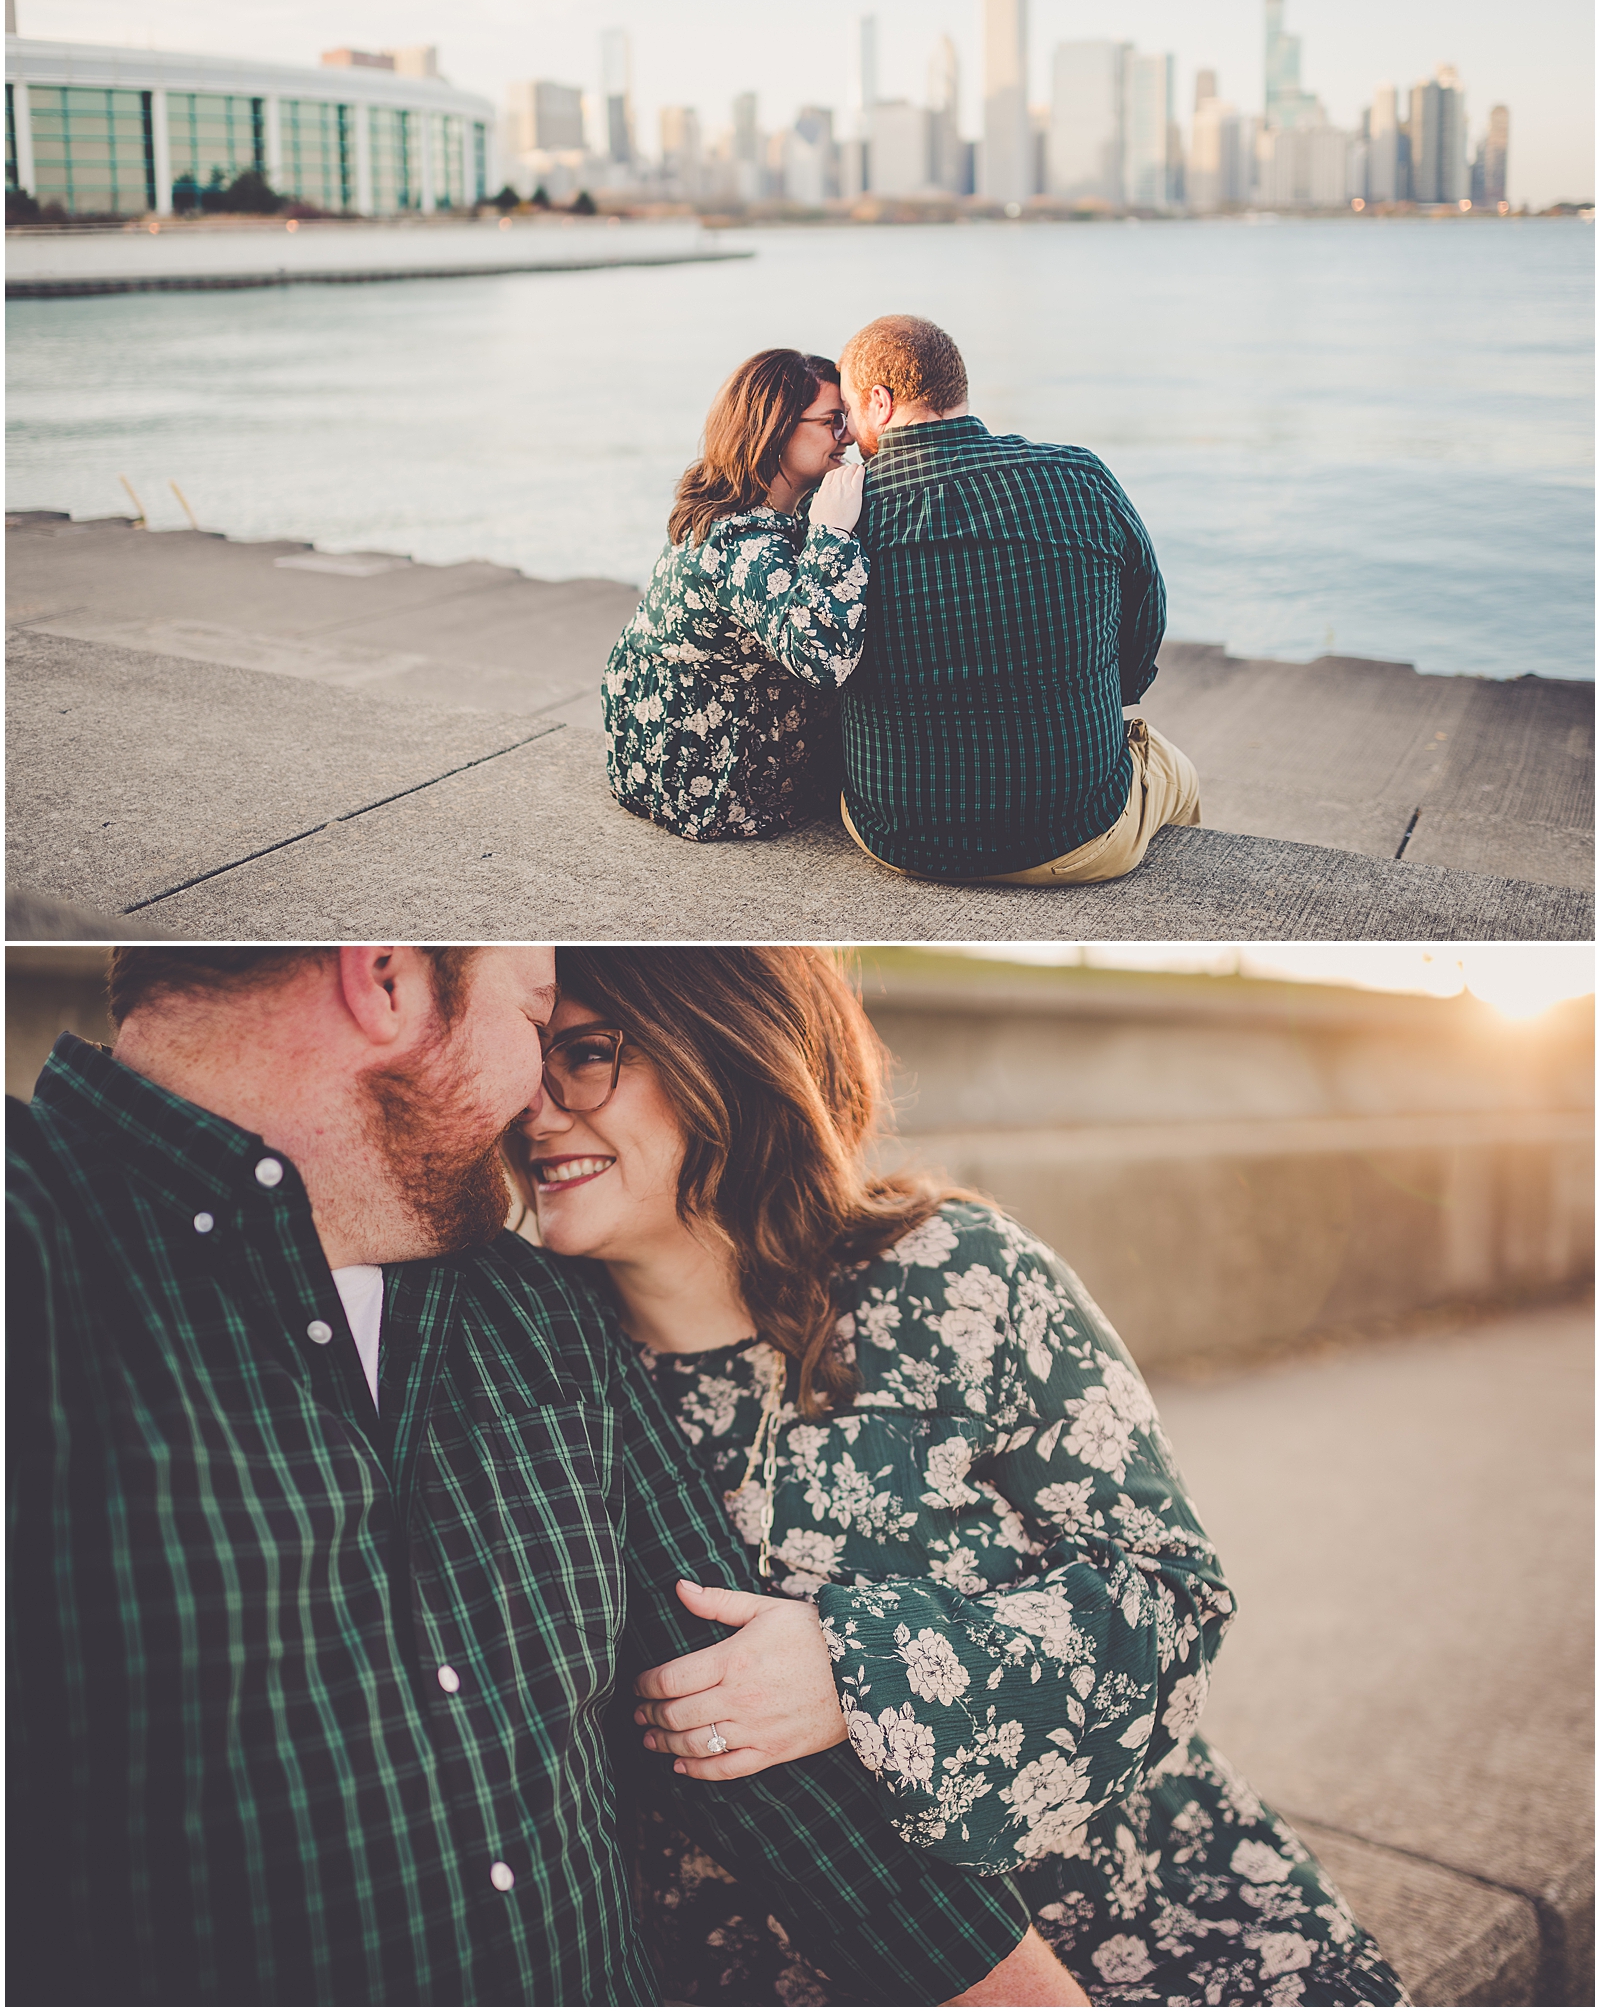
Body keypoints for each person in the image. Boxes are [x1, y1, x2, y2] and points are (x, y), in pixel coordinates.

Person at [6, 943, 1086, 2008]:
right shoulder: (37, 1256)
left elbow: (746, 1742)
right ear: (383, 978)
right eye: (531, 1023)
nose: (536, 1102)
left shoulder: (530, 1305)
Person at [511, 946, 1412, 2009]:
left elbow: (1171, 1599)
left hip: (1140, 1916)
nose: (534, 1107)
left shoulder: (957, 1276)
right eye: (526, 1057)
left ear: (726, 1044)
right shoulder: (533, 1376)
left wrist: (858, 1668)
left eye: (585, 1053)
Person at [835, 313, 1202, 885]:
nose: (849, 436)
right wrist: (1104, 696)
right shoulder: (1079, 476)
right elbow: (1144, 623)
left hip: (899, 835)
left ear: (878, 402)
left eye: (849, 413)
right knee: (1179, 774)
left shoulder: (843, 516)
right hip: (1076, 833)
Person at [603, 347, 869, 840]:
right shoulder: (739, 539)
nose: (849, 434)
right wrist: (833, 534)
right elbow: (825, 660)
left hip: (651, 740)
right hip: (704, 777)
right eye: (833, 420)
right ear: (777, 430)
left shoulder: (746, 502)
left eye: (848, 417)